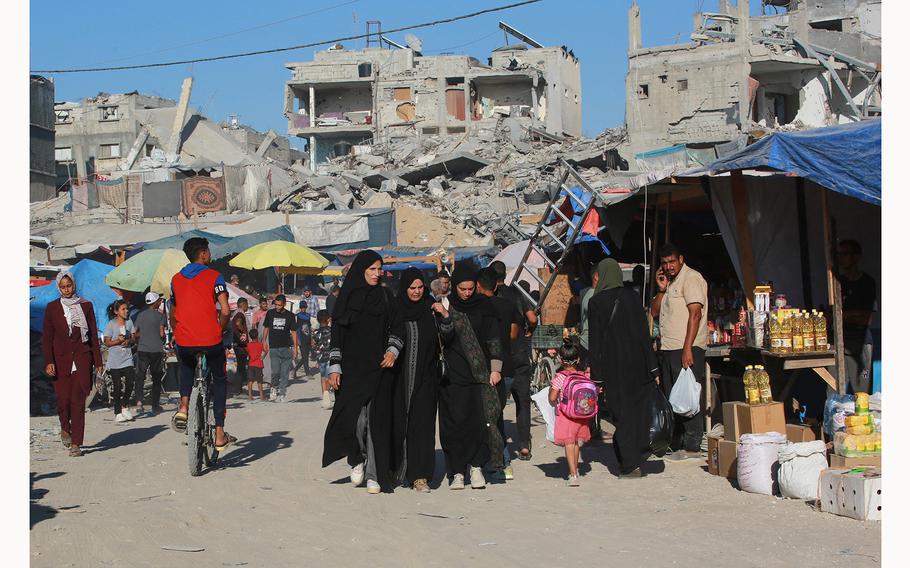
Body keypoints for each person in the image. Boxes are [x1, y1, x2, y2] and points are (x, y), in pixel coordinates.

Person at [322, 250, 403, 495]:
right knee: (356, 419)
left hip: (380, 367)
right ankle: (356, 457)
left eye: (380, 269)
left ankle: (374, 474)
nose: (378, 274)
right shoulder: (346, 298)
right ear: (361, 271)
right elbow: (337, 334)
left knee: (377, 419)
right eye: (372, 269)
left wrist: (392, 350)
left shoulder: (386, 296)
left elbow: (397, 326)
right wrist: (334, 366)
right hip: (352, 368)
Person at [589, 258, 660, 478]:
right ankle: (635, 455)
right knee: (637, 412)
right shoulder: (632, 296)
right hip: (639, 365)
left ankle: (629, 464)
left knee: (622, 414)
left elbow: (596, 342)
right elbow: (643, 335)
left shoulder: (596, 302)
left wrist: (597, 377)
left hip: (614, 369)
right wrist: (653, 368)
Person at [436, 264, 504, 491]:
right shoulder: (445, 306)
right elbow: (444, 339)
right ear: (455, 287)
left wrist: (495, 368)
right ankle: (457, 471)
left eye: (470, 288)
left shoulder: (484, 306)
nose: (466, 293)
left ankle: (476, 467)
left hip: (480, 375)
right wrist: (446, 317)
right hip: (453, 378)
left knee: (480, 423)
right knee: (455, 424)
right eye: (462, 289)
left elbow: (493, 337)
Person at [169, 237, 236, 453]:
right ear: (204, 254)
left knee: (187, 366)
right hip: (210, 339)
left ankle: (184, 406)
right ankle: (218, 434)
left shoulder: (176, 279)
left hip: (184, 339)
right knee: (219, 380)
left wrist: (177, 332)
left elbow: (173, 312)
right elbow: (225, 310)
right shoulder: (215, 276)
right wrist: (220, 328)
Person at [649, 243, 708, 461]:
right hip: (668, 348)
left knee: (689, 397)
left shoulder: (691, 278)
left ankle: (692, 445)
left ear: (681, 259)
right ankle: (678, 441)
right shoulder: (671, 283)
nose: (669, 266)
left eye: (672, 261)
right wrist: (661, 288)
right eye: (664, 263)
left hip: (686, 347)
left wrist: (687, 349)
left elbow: (695, 314)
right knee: (673, 396)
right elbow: (654, 312)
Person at [42, 271, 104, 457]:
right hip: (60, 361)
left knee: (78, 402)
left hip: (82, 359)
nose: (66, 289)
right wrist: (49, 361)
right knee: (63, 401)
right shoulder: (52, 308)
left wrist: (98, 361)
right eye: (63, 287)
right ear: (58, 288)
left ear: (74, 285)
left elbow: (92, 335)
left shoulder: (85, 306)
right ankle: (64, 428)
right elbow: (47, 338)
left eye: (69, 286)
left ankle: (76, 443)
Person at [391, 268, 441, 493]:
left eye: (421, 287)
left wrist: (445, 317)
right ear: (405, 288)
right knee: (398, 424)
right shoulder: (394, 309)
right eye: (412, 288)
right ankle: (396, 471)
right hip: (397, 379)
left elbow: (448, 336)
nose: (417, 292)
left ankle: (420, 476)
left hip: (426, 378)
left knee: (422, 426)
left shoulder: (431, 310)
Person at [476, 267, 521, 480]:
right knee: (498, 415)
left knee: (490, 419)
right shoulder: (508, 305)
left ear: (477, 286)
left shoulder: (476, 308)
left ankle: (500, 461)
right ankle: (503, 462)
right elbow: (513, 334)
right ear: (496, 285)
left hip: (486, 368)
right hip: (507, 367)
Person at [490, 262, 536, 462]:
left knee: (497, 403)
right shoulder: (517, 294)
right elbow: (532, 318)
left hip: (498, 358)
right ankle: (524, 445)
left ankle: (499, 447)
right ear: (505, 275)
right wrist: (528, 332)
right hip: (519, 354)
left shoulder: (490, 298)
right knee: (522, 401)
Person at [548, 339, 592, 486]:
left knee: (569, 443)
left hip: (566, 415)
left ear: (561, 360)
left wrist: (551, 391)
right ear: (578, 359)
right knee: (576, 443)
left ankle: (573, 475)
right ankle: (576, 470)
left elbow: (552, 398)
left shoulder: (560, 377)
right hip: (581, 415)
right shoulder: (583, 375)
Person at [837, 239, 876, 394]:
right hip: (839, 342)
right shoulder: (837, 282)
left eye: (844, 254)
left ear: (856, 257)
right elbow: (831, 315)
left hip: (861, 341)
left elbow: (867, 319)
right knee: (834, 394)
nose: (840, 258)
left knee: (862, 394)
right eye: (838, 254)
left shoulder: (867, 283)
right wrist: (854, 313)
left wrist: (845, 315)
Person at [103, 299, 137, 424]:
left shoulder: (129, 322)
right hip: (115, 360)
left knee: (130, 382)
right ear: (117, 311)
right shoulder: (111, 324)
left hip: (127, 358)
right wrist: (117, 341)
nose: (126, 311)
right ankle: (117, 412)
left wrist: (129, 341)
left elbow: (134, 338)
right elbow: (107, 342)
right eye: (123, 309)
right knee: (117, 386)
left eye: (127, 309)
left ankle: (124, 405)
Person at [134, 292, 166, 414]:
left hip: (142, 349)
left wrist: (143, 336)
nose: (160, 302)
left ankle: (139, 403)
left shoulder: (141, 315)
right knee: (156, 378)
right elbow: (162, 333)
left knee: (140, 376)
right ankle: (155, 405)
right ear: (155, 302)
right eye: (159, 300)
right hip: (156, 350)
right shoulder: (160, 316)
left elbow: (135, 333)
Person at [262, 294, 299, 402]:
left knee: (284, 373)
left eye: (279, 305)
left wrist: (295, 349)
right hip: (273, 347)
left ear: (284, 304)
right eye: (276, 305)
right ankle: (273, 388)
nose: (277, 307)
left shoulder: (290, 316)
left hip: (286, 347)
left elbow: (294, 332)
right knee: (275, 371)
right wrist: (264, 341)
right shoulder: (270, 313)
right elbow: (266, 327)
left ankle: (282, 392)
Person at [312, 309, 334, 409]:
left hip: (321, 358)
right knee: (330, 377)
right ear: (328, 319)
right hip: (330, 358)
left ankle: (325, 397)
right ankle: (328, 392)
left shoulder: (316, 333)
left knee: (323, 377)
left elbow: (313, 345)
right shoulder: (332, 331)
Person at [230, 297, 251, 396]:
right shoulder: (240, 314)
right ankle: (238, 390)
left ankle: (239, 389)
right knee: (241, 367)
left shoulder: (235, 314)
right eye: (247, 304)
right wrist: (243, 332)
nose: (247, 306)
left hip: (237, 344)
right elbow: (238, 324)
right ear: (243, 304)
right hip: (240, 345)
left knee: (241, 366)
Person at [245, 328, 266, 400]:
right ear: (257, 336)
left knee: (250, 381)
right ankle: (261, 396)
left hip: (251, 364)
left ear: (250, 336)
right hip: (259, 364)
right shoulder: (260, 344)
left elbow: (246, 351)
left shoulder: (248, 345)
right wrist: (263, 356)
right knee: (259, 381)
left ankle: (250, 396)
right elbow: (266, 350)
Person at [294, 303, 312, 376]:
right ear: (300, 308)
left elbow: (309, 327)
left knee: (305, 356)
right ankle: (307, 373)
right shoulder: (298, 316)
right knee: (305, 357)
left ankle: (295, 369)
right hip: (301, 338)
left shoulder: (308, 316)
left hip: (307, 338)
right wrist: (298, 339)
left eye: (304, 307)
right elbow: (297, 329)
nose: (303, 309)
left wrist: (311, 338)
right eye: (302, 308)